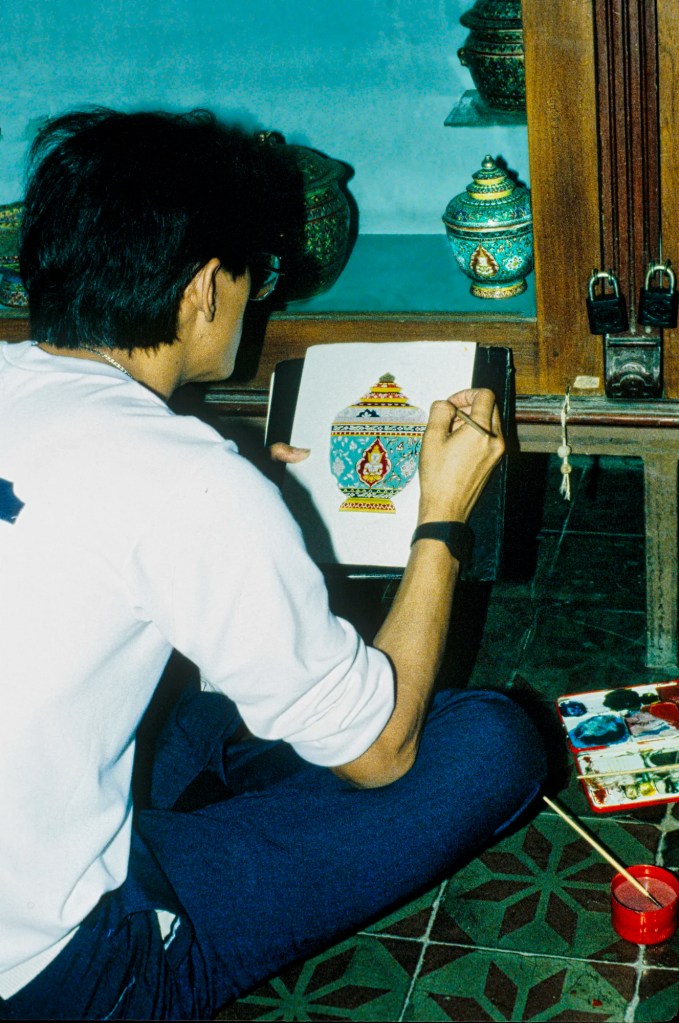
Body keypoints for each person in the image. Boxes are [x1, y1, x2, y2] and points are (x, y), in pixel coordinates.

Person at [0, 107, 546, 1021]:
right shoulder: (185, 479)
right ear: (204, 287)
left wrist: (235, 492)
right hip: (65, 973)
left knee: (208, 704)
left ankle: (256, 774)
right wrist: (442, 519)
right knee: (491, 742)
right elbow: (383, 756)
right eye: (255, 270)